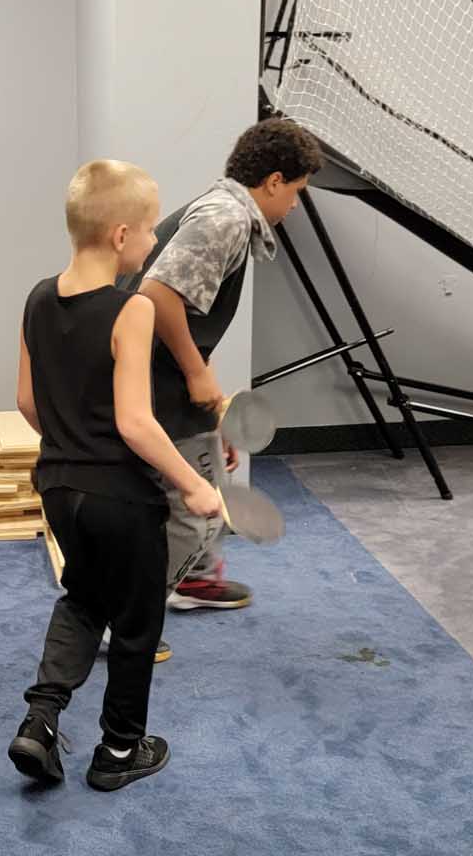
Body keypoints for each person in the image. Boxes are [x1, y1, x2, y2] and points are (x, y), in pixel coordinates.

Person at [7, 159, 222, 792]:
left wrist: (71, 442)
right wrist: (194, 483)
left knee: (83, 596)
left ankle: (41, 719)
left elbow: (26, 402)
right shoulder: (132, 310)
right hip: (121, 498)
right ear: (121, 235)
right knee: (136, 622)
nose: (155, 241)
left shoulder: (37, 297)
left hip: (59, 488)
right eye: (152, 229)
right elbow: (134, 423)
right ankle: (120, 751)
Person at [121, 117, 322, 617]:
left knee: (204, 476)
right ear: (273, 181)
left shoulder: (224, 211)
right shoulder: (225, 219)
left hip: (158, 368)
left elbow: (186, 317)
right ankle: (129, 619)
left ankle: (191, 578)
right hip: (148, 372)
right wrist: (196, 374)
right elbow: (157, 295)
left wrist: (213, 413)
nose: (294, 205)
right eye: (296, 191)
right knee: (193, 505)